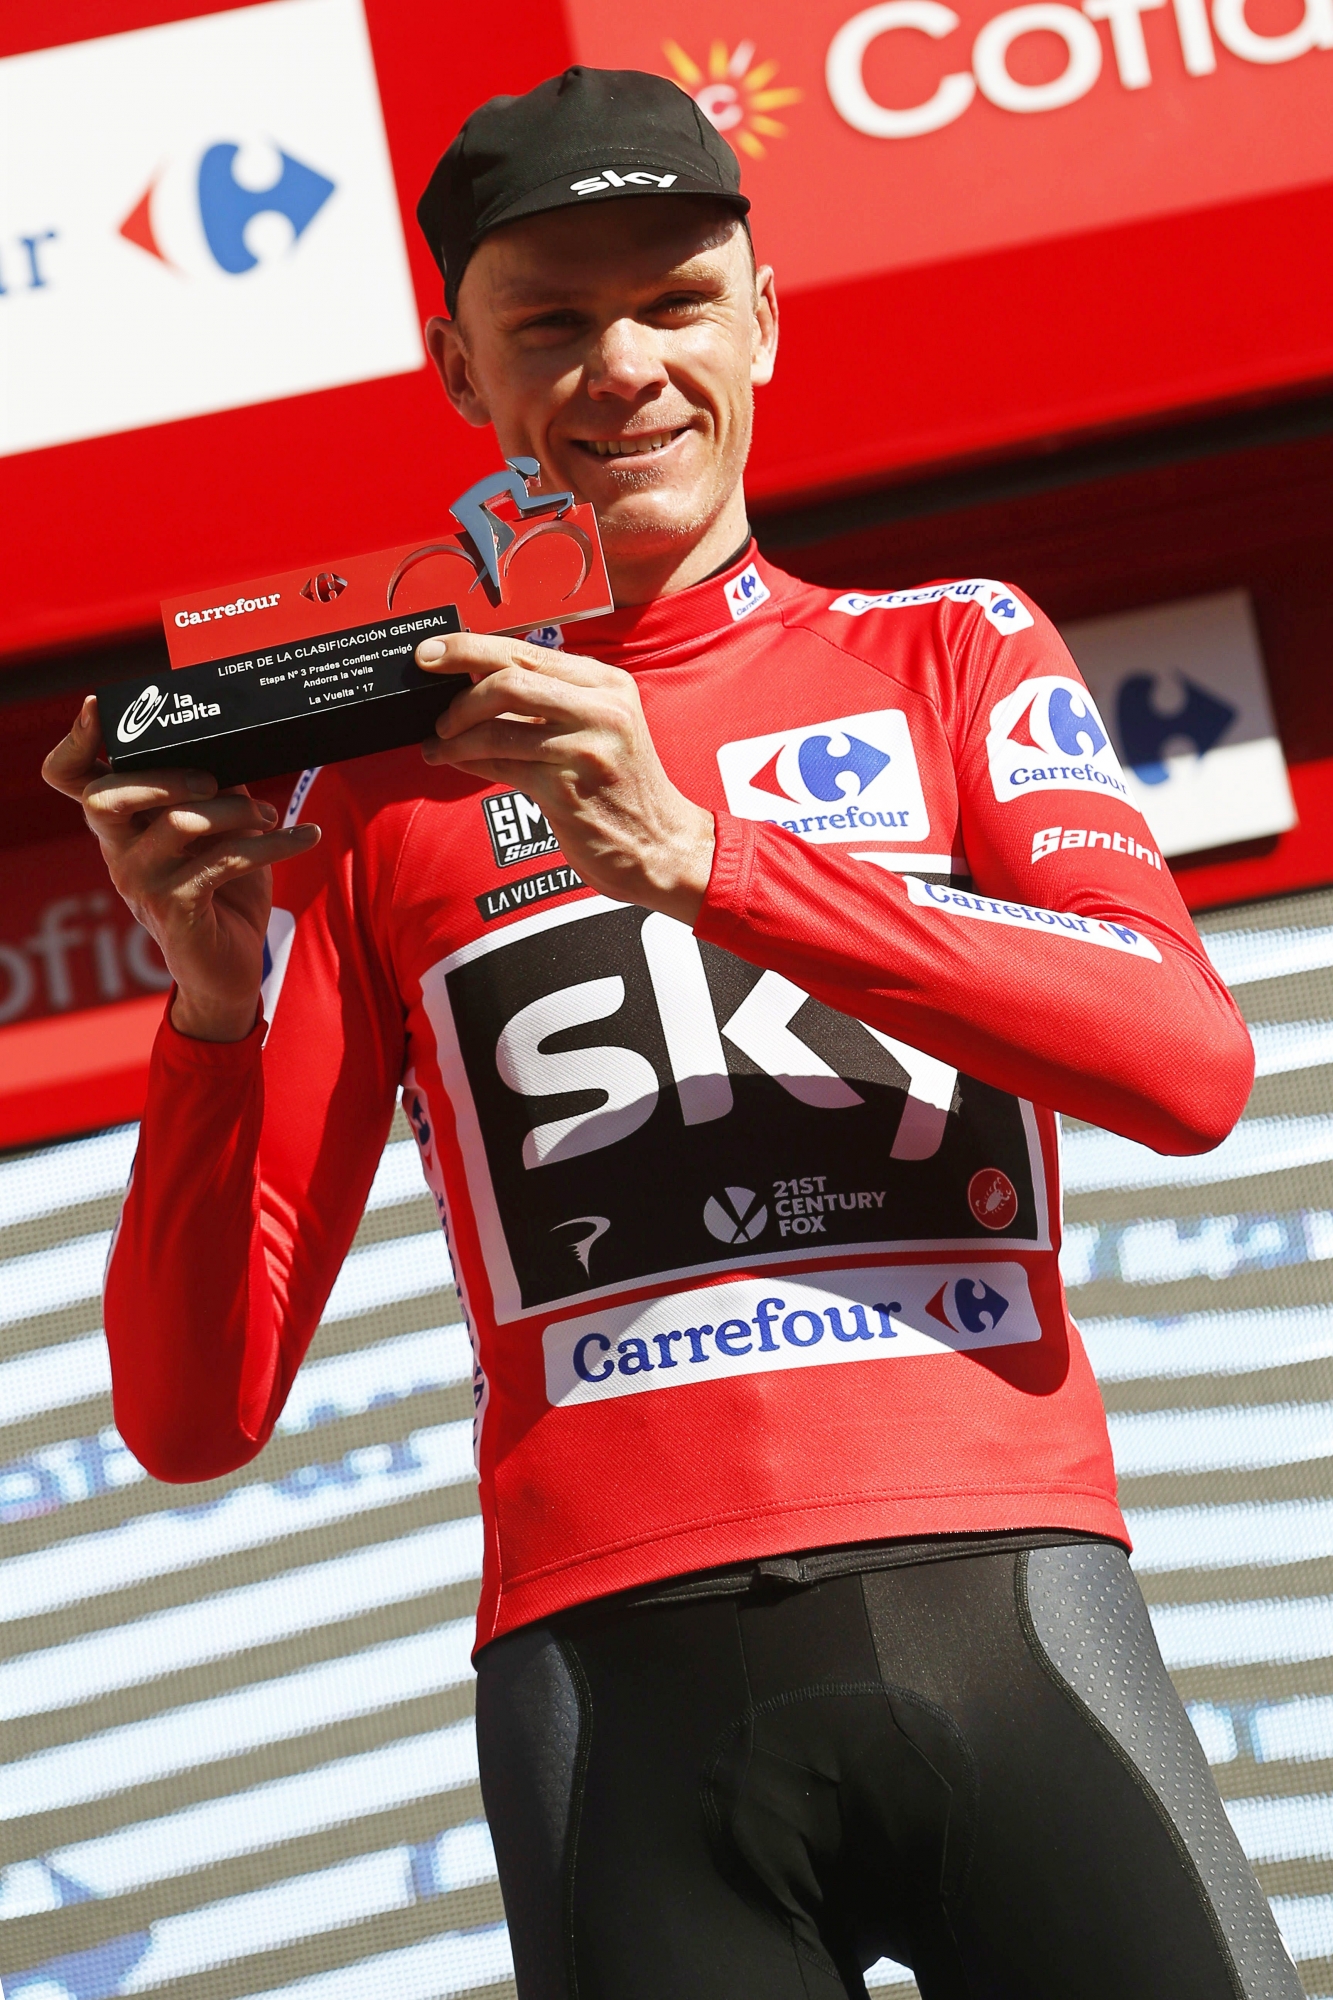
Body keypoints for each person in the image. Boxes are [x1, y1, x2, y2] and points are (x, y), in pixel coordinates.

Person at [44, 65, 1298, 2000]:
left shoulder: (948, 649)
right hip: (611, 1693)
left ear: (765, 320)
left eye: (674, 302)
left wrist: (708, 857)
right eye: (550, 321)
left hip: (1011, 1615)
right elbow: (192, 1417)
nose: (620, 366)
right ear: (461, 373)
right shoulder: (376, 797)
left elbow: (1186, 1062)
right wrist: (215, 1009)